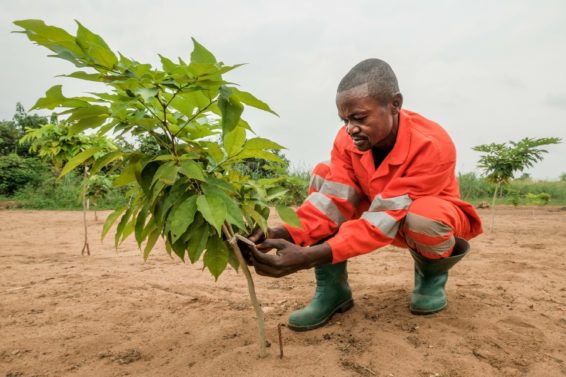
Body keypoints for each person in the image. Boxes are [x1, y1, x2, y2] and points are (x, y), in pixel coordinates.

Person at [244, 58, 483, 332]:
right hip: (378, 213)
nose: (350, 129)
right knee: (324, 174)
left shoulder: (432, 144)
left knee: (424, 216)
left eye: (359, 118)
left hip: (422, 222)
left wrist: (308, 257)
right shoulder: (346, 140)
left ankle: (430, 277)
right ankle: (332, 291)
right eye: (344, 120)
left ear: (395, 104)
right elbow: (331, 204)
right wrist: (280, 233)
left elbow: (384, 219)